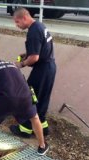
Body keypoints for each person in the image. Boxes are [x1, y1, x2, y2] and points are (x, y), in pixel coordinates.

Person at [10, 8, 57, 138]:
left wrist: (20, 64)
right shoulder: (40, 26)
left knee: (28, 97)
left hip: (42, 70)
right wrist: (27, 54)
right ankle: (43, 127)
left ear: (25, 17)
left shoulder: (33, 32)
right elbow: (40, 49)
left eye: (17, 22)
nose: (17, 25)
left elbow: (34, 58)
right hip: (50, 67)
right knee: (42, 98)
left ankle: (25, 129)